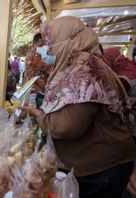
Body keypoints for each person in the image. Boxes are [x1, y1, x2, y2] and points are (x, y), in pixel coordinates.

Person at [20, 16, 136, 198]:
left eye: (51, 42)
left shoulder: (83, 67)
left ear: (68, 39)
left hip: (102, 169)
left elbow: (67, 127)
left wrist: (38, 114)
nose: (47, 49)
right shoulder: (83, 62)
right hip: (103, 163)